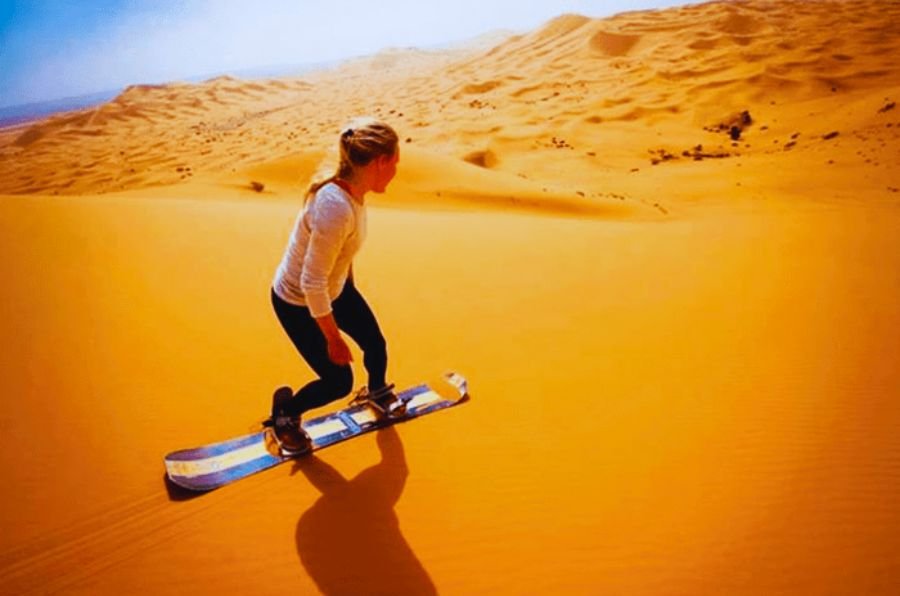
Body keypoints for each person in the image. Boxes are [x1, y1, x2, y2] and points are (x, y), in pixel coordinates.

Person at [268, 118, 403, 455]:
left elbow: (344, 251)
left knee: (375, 343)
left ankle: (376, 391)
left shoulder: (355, 192)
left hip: (335, 289)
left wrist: (350, 293)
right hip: (298, 301)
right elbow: (310, 282)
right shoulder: (334, 207)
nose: (397, 171)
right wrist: (333, 337)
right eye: (395, 163)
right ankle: (286, 413)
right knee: (338, 382)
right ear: (379, 162)